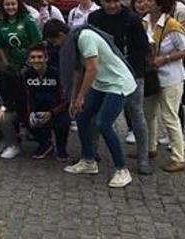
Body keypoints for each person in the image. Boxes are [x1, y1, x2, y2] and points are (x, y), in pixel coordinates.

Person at [43, 20, 136, 188]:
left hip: (118, 83)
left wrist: (81, 96)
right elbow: (78, 70)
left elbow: (92, 68)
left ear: (61, 36)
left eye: (54, 41)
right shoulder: (73, 42)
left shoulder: (85, 37)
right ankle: (88, 160)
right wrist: (74, 98)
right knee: (82, 116)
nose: (55, 46)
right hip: (101, 83)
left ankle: (122, 169)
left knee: (103, 124)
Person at [88, 0, 152, 175]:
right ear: (101, 1)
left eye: (116, 1)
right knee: (96, 112)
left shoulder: (132, 19)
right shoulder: (94, 17)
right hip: (103, 73)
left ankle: (143, 158)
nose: (112, 6)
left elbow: (142, 50)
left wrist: (128, 67)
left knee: (136, 114)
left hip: (132, 74)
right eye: (108, 2)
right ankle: (92, 151)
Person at [142, 0, 185, 173]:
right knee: (148, 113)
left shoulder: (172, 25)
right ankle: (150, 147)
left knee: (170, 116)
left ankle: (178, 157)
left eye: (149, 0)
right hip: (151, 76)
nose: (145, 2)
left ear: (159, 4)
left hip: (171, 76)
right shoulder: (144, 22)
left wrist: (164, 59)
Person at [21, 43, 69, 160]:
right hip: (38, 110)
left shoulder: (56, 73)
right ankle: (45, 144)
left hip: (56, 110)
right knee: (25, 117)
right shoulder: (26, 74)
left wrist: (51, 113)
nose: (36, 60)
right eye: (33, 57)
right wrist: (30, 113)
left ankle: (61, 147)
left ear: (46, 58)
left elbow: (65, 98)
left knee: (63, 121)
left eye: (39, 57)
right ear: (28, 60)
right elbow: (25, 97)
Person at [0, 0, 42, 72]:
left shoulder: (28, 21)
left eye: (13, 4)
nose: (10, 7)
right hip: (11, 66)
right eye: (7, 4)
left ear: (18, 5)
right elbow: (0, 46)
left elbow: (37, 43)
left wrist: (30, 63)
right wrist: (6, 63)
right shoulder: (0, 24)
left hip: (29, 65)